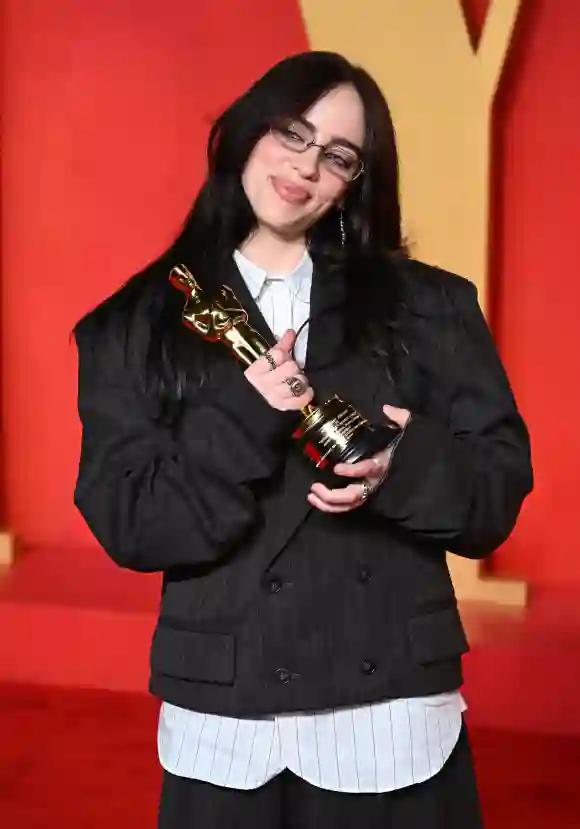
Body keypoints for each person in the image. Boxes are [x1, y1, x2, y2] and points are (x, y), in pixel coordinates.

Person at [73, 51, 533, 828]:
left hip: (393, 719)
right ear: (250, 128)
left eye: (339, 155)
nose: (306, 167)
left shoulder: (432, 308)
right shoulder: (133, 324)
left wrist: (402, 466)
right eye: (293, 132)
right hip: (225, 729)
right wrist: (248, 415)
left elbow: (494, 497)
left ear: (358, 179)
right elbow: (134, 525)